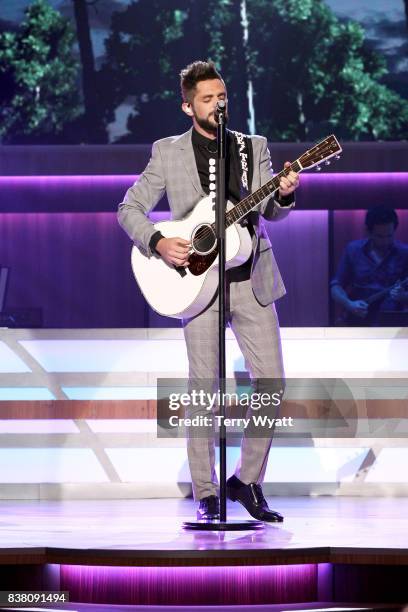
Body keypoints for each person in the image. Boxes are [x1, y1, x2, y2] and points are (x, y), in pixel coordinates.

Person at [118, 60, 299, 522]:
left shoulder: (251, 147)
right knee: (205, 393)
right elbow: (130, 208)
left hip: (251, 281)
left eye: (222, 96)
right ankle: (206, 492)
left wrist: (282, 194)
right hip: (197, 287)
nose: (218, 104)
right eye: (207, 98)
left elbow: (271, 215)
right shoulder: (168, 152)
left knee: (272, 383)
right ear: (187, 105)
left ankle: (246, 480)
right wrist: (158, 240)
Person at [331, 206, 408, 326]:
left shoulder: (404, 253)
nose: (385, 241)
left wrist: (403, 296)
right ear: (368, 231)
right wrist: (349, 304)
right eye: (380, 237)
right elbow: (336, 286)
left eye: (390, 236)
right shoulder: (353, 250)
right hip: (358, 319)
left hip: (393, 322)